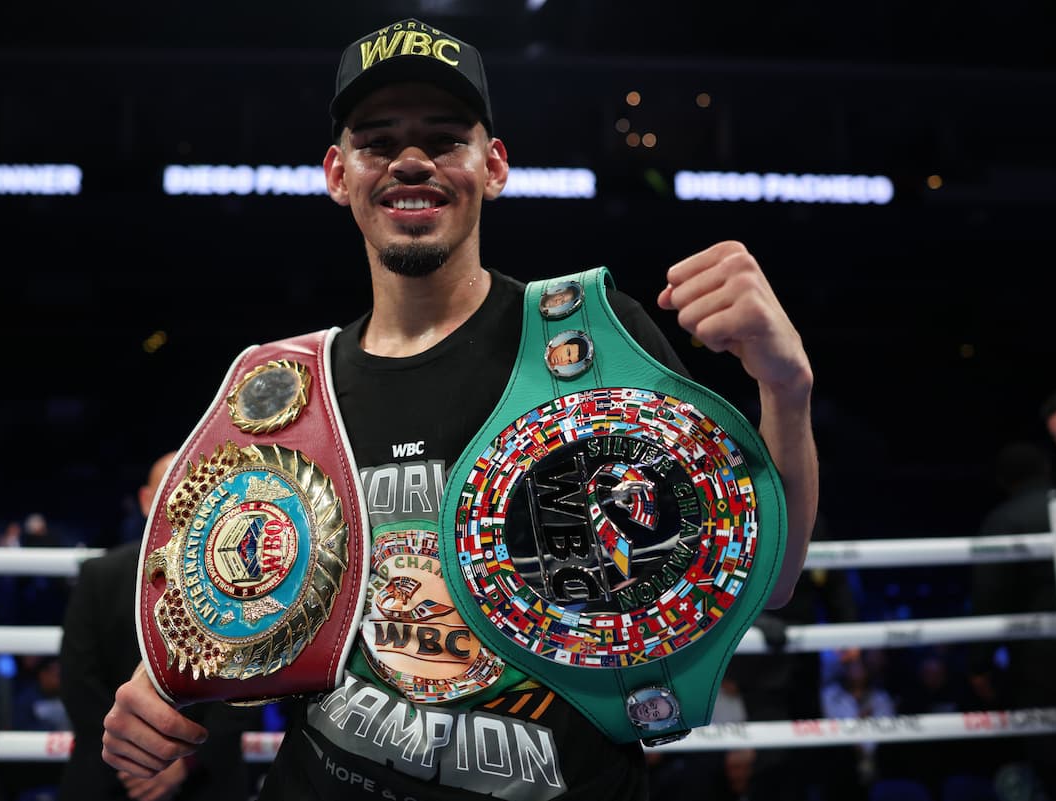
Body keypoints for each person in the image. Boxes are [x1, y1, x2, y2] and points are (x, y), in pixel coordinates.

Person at [101, 17, 819, 800]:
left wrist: (788, 387)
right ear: (339, 175)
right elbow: (225, 612)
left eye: (444, 138)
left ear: (495, 165)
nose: (412, 160)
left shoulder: (591, 342)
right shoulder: (286, 391)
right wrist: (156, 692)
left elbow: (768, 577)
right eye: (378, 141)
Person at [58, 451, 263, 801]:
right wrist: (134, 754)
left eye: (190, 489)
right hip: (112, 774)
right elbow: (78, 680)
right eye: (168, 489)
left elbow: (249, 683)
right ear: (144, 500)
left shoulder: (243, 579)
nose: (180, 500)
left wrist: (186, 761)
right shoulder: (100, 575)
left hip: (206, 775)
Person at [966, 437, 1056, 801]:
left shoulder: (1006, 520)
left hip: (1039, 666)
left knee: (1055, 768)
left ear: (1004, 481)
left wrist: (979, 665)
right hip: (1052, 656)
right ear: (1047, 468)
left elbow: (990, 596)